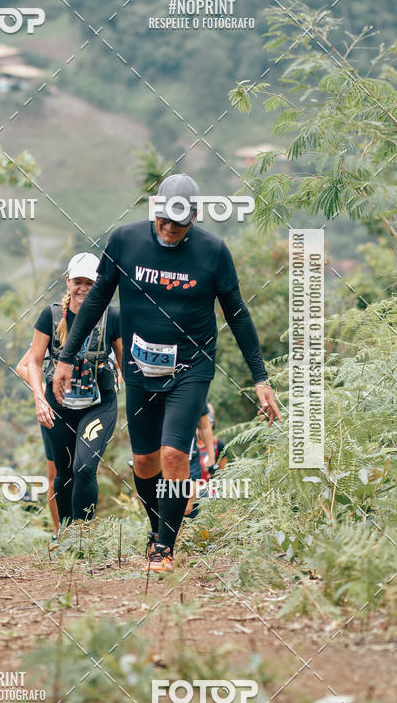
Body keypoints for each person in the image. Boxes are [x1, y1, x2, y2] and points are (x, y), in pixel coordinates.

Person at [52, 173, 281, 573]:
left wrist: (260, 379)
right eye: (164, 221)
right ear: (155, 210)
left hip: (191, 367)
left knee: (175, 453)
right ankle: (160, 527)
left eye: (179, 224)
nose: (170, 230)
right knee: (145, 463)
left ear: (193, 218)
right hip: (140, 370)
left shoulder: (213, 252)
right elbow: (95, 303)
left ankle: (164, 549)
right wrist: (67, 357)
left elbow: (238, 315)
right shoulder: (125, 241)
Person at [26, 252, 123, 525]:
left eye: (90, 283)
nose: (83, 288)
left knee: (84, 468)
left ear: (99, 285)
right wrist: (39, 400)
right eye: (78, 281)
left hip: (98, 405)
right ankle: (68, 539)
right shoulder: (52, 315)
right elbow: (33, 362)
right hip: (58, 406)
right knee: (64, 472)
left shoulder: (111, 317)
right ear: (67, 281)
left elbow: (126, 362)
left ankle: (84, 535)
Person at [15, 348, 58, 535]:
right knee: (55, 477)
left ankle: (84, 535)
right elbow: (23, 366)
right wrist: (43, 391)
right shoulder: (54, 323)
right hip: (55, 409)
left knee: (87, 473)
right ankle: (59, 534)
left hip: (92, 408)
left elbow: (121, 366)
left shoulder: (104, 324)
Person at [185, 403, 227, 517]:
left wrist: (213, 474)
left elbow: (224, 474)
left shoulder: (218, 445)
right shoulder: (187, 447)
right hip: (189, 492)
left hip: (209, 493)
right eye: (198, 426)